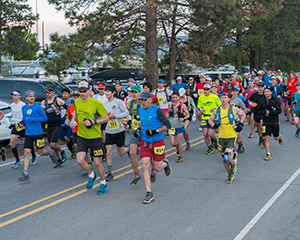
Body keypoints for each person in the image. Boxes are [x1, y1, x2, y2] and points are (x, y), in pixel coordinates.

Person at [70, 81, 109, 194]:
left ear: (89, 91)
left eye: (84, 91)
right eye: (80, 91)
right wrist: (73, 121)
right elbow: (76, 113)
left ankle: (103, 182)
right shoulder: (77, 102)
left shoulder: (95, 103)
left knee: (97, 162)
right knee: (80, 160)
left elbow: (106, 118)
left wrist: (93, 122)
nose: (82, 93)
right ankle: (91, 175)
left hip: (95, 137)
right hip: (82, 136)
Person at [138, 91, 172, 204]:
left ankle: (165, 163)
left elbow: (168, 125)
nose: (142, 102)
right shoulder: (140, 110)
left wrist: (155, 131)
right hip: (145, 142)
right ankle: (149, 193)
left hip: (157, 141)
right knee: (144, 165)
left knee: (157, 168)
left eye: (144, 100)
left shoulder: (157, 110)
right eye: (141, 100)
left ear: (150, 100)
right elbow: (142, 122)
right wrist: (138, 130)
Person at [18, 90, 56, 181]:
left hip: (38, 133)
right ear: (26, 98)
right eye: (30, 96)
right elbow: (24, 118)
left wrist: (32, 119)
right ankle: (26, 173)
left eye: (33, 96)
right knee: (26, 153)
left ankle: (50, 152)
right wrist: (22, 122)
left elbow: (44, 118)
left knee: (41, 152)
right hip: (28, 134)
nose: (32, 98)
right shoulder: (24, 108)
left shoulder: (38, 107)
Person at [208, 92, 246, 183]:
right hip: (221, 136)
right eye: (222, 97)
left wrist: (240, 124)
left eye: (225, 97)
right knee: (224, 160)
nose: (223, 99)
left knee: (227, 157)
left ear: (229, 99)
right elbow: (210, 119)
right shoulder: (217, 110)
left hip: (231, 135)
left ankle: (232, 163)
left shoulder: (233, 109)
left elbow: (243, 114)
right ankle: (230, 173)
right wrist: (214, 125)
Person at [103, 85, 130, 182]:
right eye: (106, 91)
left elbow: (126, 113)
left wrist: (116, 116)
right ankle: (109, 172)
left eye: (108, 91)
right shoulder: (104, 104)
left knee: (120, 152)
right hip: (109, 131)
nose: (106, 93)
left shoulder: (119, 102)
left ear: (113, 93)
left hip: (119, 131)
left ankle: (128, 149)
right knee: (108, 152)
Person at [41, 86, 67, 168]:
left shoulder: (58, 100)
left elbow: (68, 109)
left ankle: (61, 151)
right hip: (48, 125)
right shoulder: (43, 102)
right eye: (47, 92)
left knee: (53, 144)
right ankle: (59, 160)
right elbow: (42, 114)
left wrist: (64, 119)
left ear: (53, 93)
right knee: (51, 145)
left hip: (56, 124)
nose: (48, 94)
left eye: (49, 92)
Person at [9, 90, 37, 168]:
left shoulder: (23, 105)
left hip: (23, 126)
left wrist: (24, 123)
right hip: (15, 126)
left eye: (15, 95)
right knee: (12, 143)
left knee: (27, 143)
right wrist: (11, 124)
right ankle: (17, 160)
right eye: (13, 95)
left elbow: (26, 115)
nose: (13, 97)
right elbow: (13, 115)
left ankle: (34, 156)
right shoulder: (11, 105)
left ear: (19, 96)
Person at [257, 86, 283, 160]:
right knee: (266, 137)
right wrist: (264, 113)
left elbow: (279, 111)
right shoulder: (261, 101)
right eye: (265, 91)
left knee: (276, 137)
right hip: (266, 121)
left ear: (271, 92)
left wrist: (270, 113)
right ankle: (268, 153)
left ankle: (280, 138)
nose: (266, 93)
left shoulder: (275, 100)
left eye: (268, 91)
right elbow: (258, 110)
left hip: (274, 121)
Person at [197, 84, 221, 155]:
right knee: (205, 134)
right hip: (204, 117)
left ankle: (215, 140)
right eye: (205, 89)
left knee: (210, 134)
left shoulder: (215, 97)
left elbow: (220, 105)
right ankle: (209, 147)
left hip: (212, 118)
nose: (206, 91)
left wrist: (215, 109)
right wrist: (201, 109)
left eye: (207, 89)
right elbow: (199, 106)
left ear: (210, 90)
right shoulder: (201, 98)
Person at [127, 85, 144, 185]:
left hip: (144, 131)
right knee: (132, 152)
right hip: (134, 131)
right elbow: (130, 116)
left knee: (148, 155)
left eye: (135, 92)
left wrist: (140, 127)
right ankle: (136, 173)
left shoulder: (143, 103)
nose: (133, 94)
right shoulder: (130, 103)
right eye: (132, 92)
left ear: (139, 93)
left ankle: (154, 169)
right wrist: (128, 123)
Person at [167, 91, 190, 163]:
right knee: (172, 143)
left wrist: (184, 118)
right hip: (172, 127)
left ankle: (179, 156)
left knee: (179, 142)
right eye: (173, 97)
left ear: (179, 97)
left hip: (179, 126)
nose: (174, 99)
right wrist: (164, 120)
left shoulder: (182, 105)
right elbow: (168, 113)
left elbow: (188, 114)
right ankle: (179, 148)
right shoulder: (170, 105)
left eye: (176, 97)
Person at [60, 88, 76, 160]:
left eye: (66, 93)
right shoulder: (61, 102)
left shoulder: (71, 102)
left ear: (69, 94)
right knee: (66, 140)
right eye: (63, 93)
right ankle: (73, 151)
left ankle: (74, 152)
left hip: (71, 124)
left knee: (67, 138)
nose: (64, 95)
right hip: (62, 124)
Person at [231, 86, 247, 153]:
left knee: (238, 138)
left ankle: (240, 145)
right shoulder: (224, 100)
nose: (233, 93)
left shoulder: (238, 100)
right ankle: (232, 149)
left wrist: (240, 112)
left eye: (235, 91)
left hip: (237, 120)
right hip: (228, 120)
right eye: (232, 91)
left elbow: (245, 110)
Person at [249, 82, 265, 146]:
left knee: (261, 125)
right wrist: (251, 104)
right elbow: (249, 100)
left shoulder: (265, 95)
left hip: (263, 112)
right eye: (259, 87)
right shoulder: (254, 95)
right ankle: (261, 137)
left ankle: (264, 138)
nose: (260, 89)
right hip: (256, 111)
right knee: (258, 127)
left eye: (261, 87)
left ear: (263, 88)